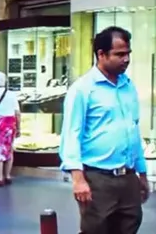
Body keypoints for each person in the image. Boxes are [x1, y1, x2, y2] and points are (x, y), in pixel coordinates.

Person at [60, 26, 149, 234]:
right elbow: (71, 135)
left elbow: (133, 130)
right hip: (98, 179)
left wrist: (142, 173)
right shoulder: (82, 89)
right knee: (96, 229)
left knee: (130, 226)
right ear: (101, 54)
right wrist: (78, 179)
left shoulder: (128, 86)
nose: (126, 59)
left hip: (128, 178)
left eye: (128, 54)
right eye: (119, 54)